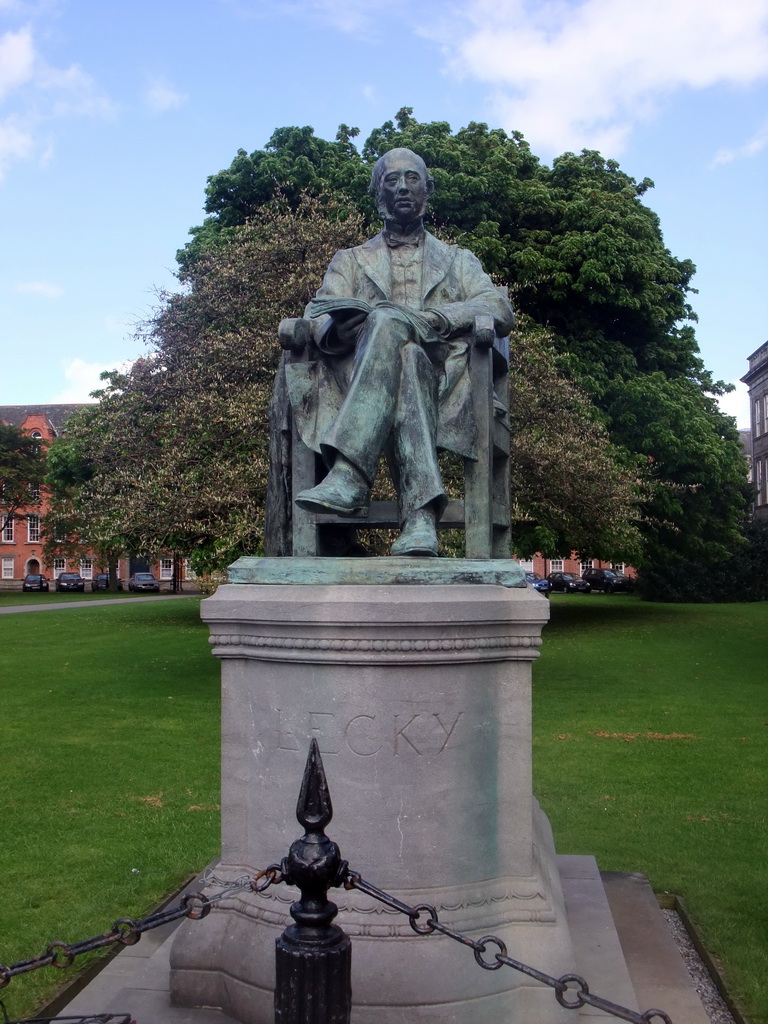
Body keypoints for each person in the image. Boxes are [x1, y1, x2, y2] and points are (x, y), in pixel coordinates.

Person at [287, 148, 514, 556]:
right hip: (359, 380)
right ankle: (420, 520)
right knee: (403, 353)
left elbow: (497, 308)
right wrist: (339, 329)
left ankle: (350, 475)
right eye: (392, 180)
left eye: (412, 178)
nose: (403, 187)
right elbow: (318, 315)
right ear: (378, 194)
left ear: (428, 191)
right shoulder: (351, 261)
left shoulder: (459, 261)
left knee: (394, 328)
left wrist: (438, 320)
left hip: (446, 379)